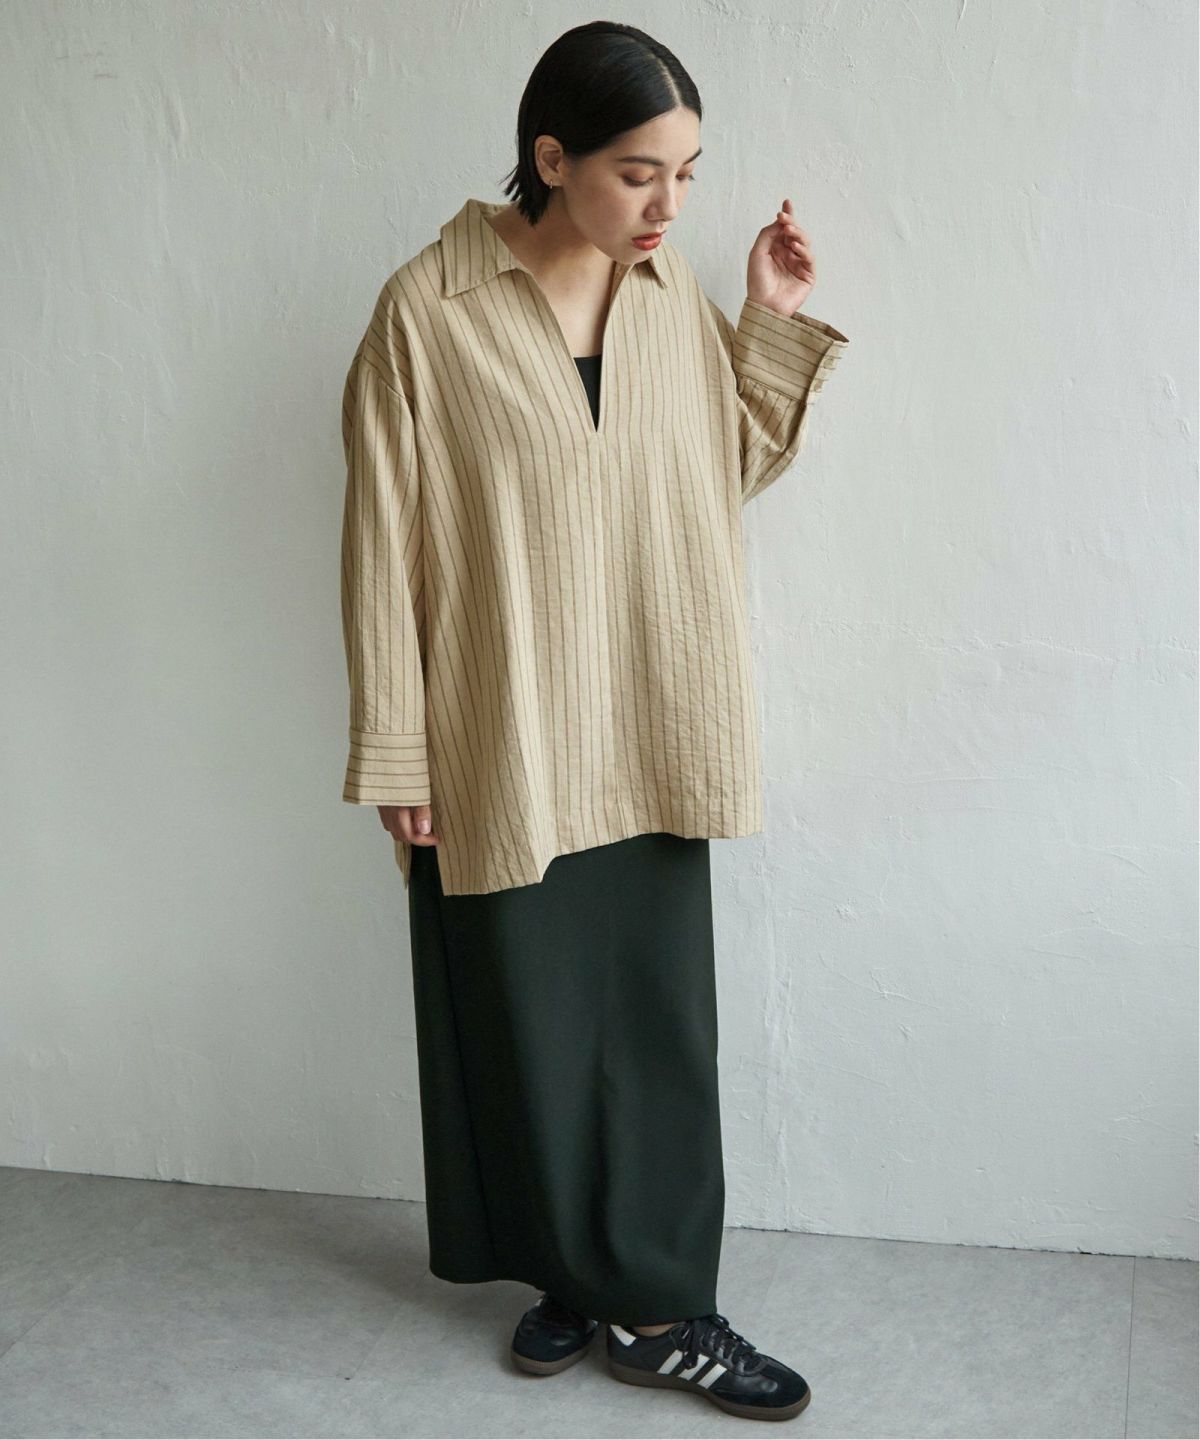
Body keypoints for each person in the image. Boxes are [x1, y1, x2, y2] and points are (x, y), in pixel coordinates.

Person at [338, 20, 848, 1423]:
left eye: (689, 173)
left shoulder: (667, 297)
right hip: (499, 730)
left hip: (650, 712)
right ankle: (573, 1272)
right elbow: (381, 545)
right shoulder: (427, 314)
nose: (670, 206)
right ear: (550, 157)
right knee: (521, 1023)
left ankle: (663, 1307)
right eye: (640, 174)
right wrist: (399, 749)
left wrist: (765, 318)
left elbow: (711, 471)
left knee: (655, 1026)